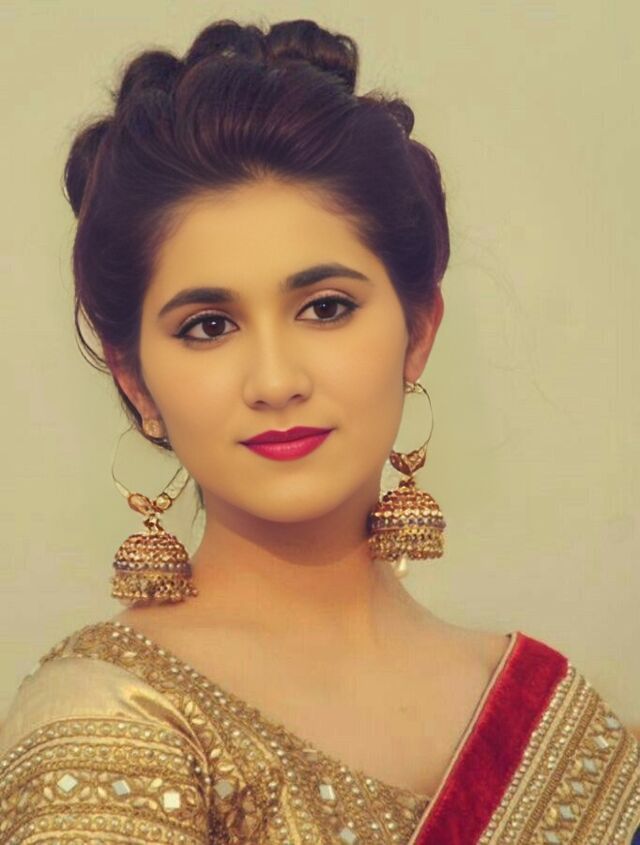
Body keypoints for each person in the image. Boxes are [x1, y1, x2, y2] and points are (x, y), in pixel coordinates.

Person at [0, 17, 638, 845]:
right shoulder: (107, 715)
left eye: (325, 308)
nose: (275, 380)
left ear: (418, 331)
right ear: (135, 380)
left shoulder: (565, 728)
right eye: (207, 326)